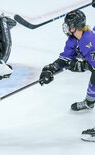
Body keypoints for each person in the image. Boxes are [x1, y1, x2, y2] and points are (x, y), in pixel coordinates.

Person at [38, 10, 95, 142]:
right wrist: (50, 69)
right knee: (93, 83)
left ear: (75, 26)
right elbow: (65, 59)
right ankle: (89, 103)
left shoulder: (90, 40)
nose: (66, 27)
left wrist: (82, 66)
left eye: (68, 25)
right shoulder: (73, 40)